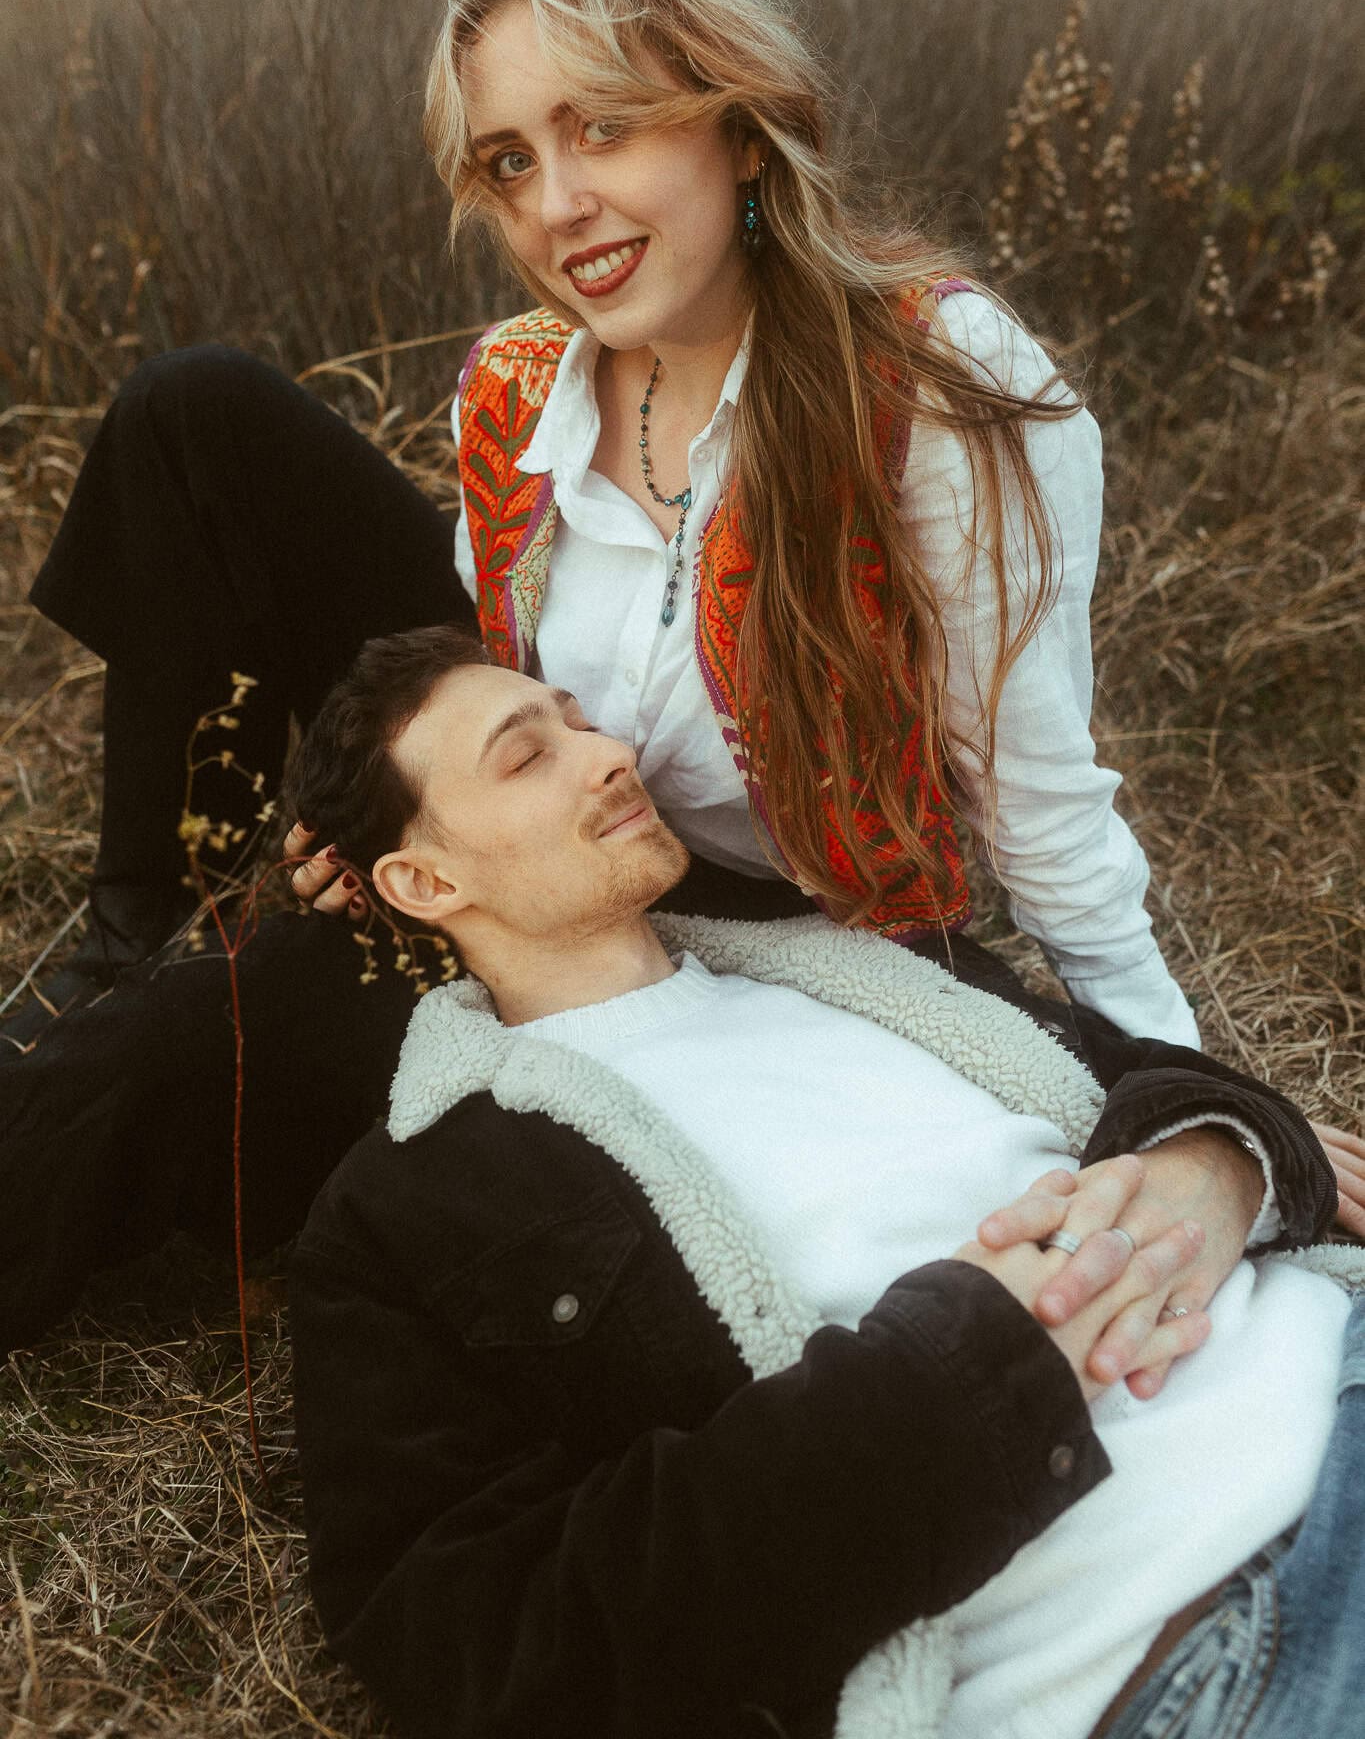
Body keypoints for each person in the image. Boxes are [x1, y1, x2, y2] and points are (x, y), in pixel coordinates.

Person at [3, 0, 1360, 1351]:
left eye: (605, 126)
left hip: (761, 930)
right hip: (547, 841)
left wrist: (1205, 1101)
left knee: (210, 1049)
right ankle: (131, 924)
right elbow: (481, 664)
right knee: (203, 417)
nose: (559, 203)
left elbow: (1041, 812)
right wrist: (391, 820)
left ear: (735, 115)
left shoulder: (936, 395)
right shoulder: (518, 387)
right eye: (511, 160)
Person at [286, 622, 1365, 1739]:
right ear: (423, 878)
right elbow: (477, 1637)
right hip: (1216, 1646)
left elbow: (1137, 1077)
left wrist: (1220, 1161)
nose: (605, 753)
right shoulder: (412, 1207)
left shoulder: (851, 954)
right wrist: (946, 1385)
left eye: (580, 716)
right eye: (526, 755)